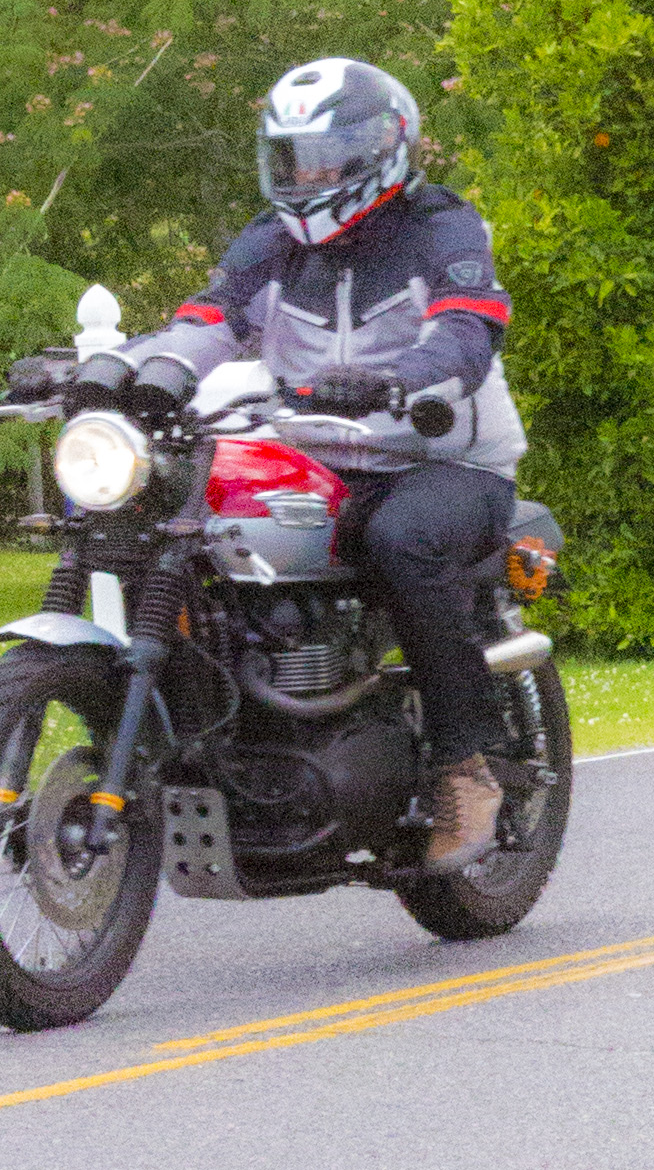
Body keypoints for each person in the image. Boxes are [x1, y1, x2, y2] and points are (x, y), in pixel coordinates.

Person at [119, 58, 528, 870]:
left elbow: (466, 329)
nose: (309, 175)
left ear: (383, 147)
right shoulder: (270, 242)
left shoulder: (442, 227)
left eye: (327, 155)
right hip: (321, 462)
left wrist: (402, 378)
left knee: (403, 540)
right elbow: (208, 321)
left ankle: (466, 764)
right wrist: (130, 372)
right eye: (293, 157)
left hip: (445, 461)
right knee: (185, 528)